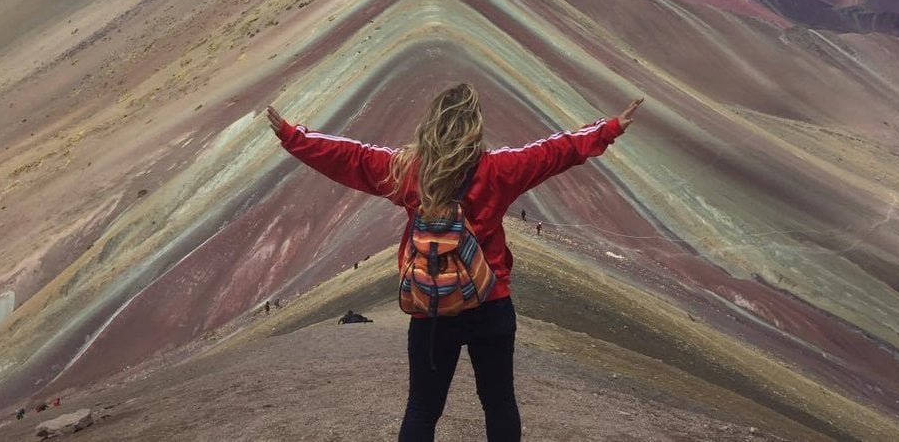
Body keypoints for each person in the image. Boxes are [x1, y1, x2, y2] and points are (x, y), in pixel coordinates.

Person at [268, 84, 643, 441]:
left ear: (431, 125)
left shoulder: (408, 170)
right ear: (475, 127)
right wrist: (609, 129)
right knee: (499, 403)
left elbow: (353, 158)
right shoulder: (498, 169)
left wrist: (293, 136)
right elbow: (555, 151)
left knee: (422, 409)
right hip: (490, 302)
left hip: (431, 306)